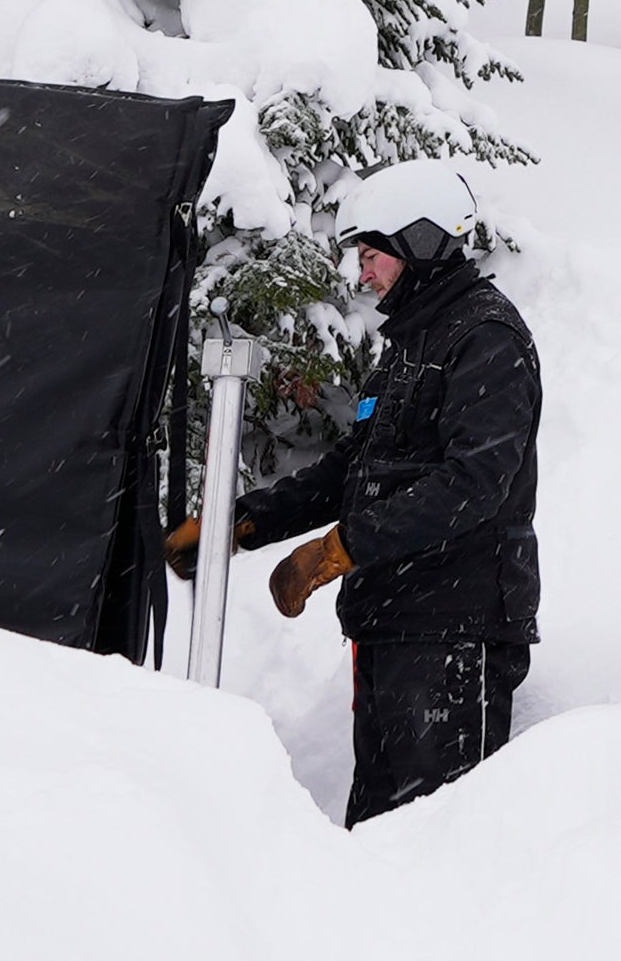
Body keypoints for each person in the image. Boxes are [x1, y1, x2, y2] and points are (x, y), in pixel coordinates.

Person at [164, 160, 543, 824]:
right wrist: (242, 523)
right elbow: (352, 469)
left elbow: (474, 483)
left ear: (420, 242)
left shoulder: (485, 338)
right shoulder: (408, 346)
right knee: (377, 832)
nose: (361, 274)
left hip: (454, 629)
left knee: (432, 837)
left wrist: (340, 547)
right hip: (397, 621)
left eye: (372, 255)